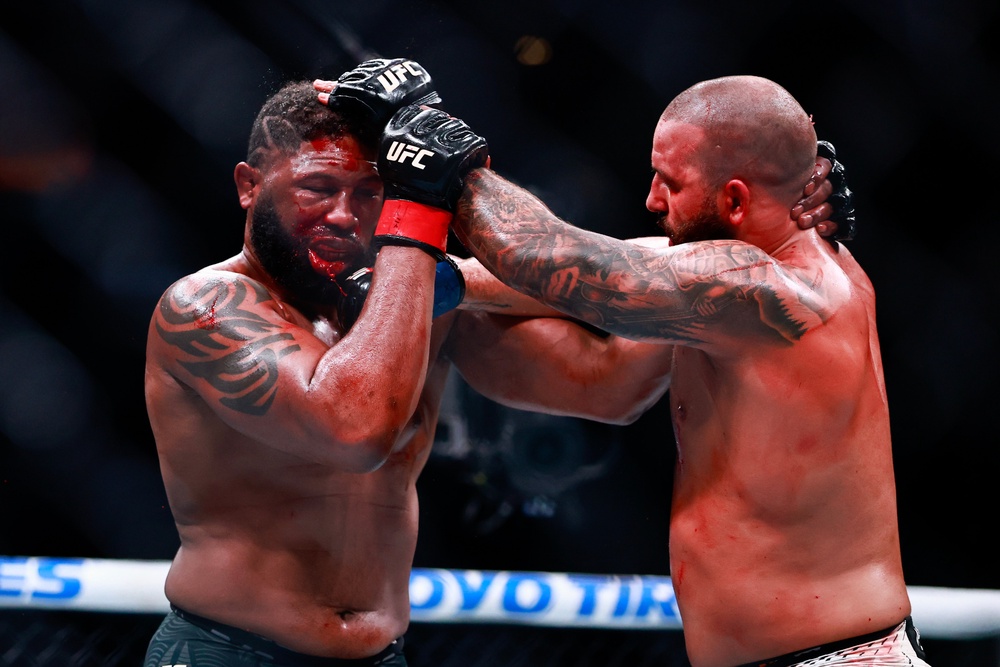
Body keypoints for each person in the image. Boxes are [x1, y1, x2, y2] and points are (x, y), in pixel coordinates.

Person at [142, 57, 850, 667]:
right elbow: (354, 425)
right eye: (318, 188)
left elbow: (607, 384)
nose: (345, 215)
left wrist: (752, 229)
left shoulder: (414, 299)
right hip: (228, 649)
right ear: (247, 185)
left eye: (370, 193)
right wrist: (418, 219)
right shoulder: (206, 307)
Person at [386, 75, 927, 666]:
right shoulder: (735, 289)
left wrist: (445, 163)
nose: (651, 198)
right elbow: (601, 329)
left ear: (736, 201)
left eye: (671, 183)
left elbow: (555, 261)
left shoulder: (780, 293)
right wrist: (440, 279)